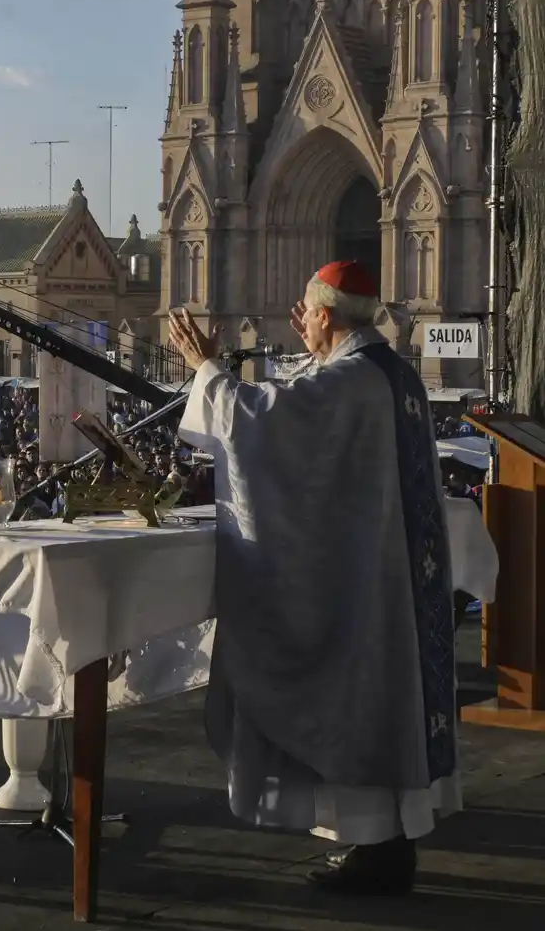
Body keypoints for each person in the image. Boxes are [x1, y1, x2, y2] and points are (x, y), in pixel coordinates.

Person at [167, 260, 458, 896]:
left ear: (326, 314)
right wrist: (315, 353)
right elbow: (308, 419)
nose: (301, 319)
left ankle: (379, 853)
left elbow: (260, 423)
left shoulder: (354, 378)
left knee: (360, 703)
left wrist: (205, 368)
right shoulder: (390, 372)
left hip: (363, 590)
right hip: (386, 576)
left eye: (308, 310)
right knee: (382, 706)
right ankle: (384, 845)